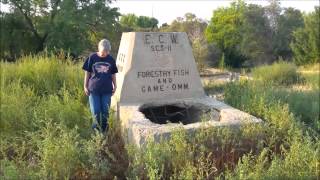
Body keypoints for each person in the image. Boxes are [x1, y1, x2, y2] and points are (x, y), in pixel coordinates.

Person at [82, 39, 118, 133]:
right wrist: (85, 86)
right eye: (103, 52)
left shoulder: (111, 59)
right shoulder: (92, 57)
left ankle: (105, 131)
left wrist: (115, 86)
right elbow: (87, 73)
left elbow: (113, 74)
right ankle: (96, 133)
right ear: (99, 48)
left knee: (105, 112)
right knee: (96, 112)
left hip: (107, 90)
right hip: (93, 90)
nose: (104, 54)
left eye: (106, 52)